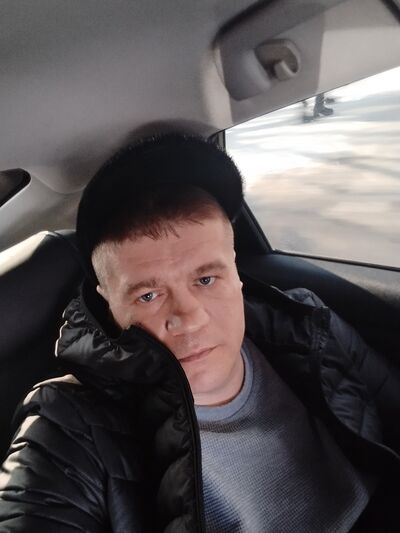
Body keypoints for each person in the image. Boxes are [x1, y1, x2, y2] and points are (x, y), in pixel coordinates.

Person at [0, 133, 399, 533]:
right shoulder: (66, 424)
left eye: (206, 279)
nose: (189, 318)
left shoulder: (308, 325)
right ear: (109, 304)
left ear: (235, 271)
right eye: (149, 295)